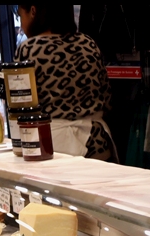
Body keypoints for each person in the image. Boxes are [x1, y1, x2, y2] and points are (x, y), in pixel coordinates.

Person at [14, 5, 115, 161]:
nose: (21, 24)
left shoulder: (28, 49)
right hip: (96, 143)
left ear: (33, 11)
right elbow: (107, 99)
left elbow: (19, 107)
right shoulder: (88, 44)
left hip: (48, 144)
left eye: (21, 16)